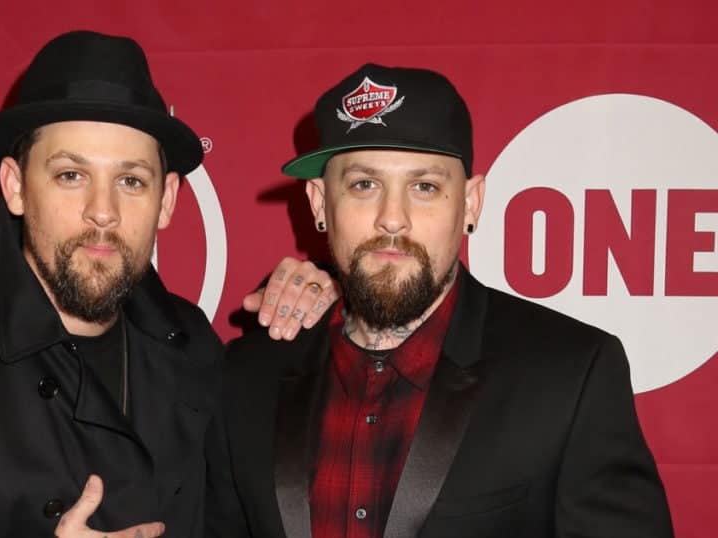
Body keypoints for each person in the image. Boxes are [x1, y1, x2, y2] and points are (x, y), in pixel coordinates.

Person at [0, 31, 336, 538]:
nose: (102, 212)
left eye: (130, 180)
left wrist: (332, 311)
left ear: (166, 200)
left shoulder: (195, 349)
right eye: (71, 175)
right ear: (14, 186)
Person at [210, 63, 674, 537]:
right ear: (318, 203)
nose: (393, 218)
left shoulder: (570, 374)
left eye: (425, 187)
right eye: (364, 185)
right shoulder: (247, 376)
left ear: (470, 203)